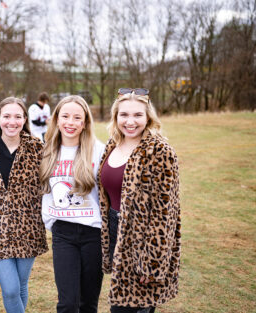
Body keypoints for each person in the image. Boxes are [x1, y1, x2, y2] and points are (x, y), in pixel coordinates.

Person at [98, 88, 181, 313]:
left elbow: (166, 213)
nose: (130, 121)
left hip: (142, 243)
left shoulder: (160, 152)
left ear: (148, 117)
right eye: (124, 115)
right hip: (116, 232)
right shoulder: (112, 145)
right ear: (116, 117)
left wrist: (152, 262)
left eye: (137, 115)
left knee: (129, 308)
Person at [0, 97, 48, 313]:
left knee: (21, 285)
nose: (12, 122)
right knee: (10, 288)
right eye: (6, 116)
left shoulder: (36, 148)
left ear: (25, 119)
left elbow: (48, 183)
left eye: (17, 116)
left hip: (29, 228)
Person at [39, 95, 105, 313]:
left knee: (88, 303)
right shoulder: (46, 151)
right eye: (65, 116)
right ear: (56, 119)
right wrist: (51, 221)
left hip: (93, 234)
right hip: (63, 233)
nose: (70, 122)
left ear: (85, 122)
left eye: (77, 117)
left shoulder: (99, 150)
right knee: (67, 303)